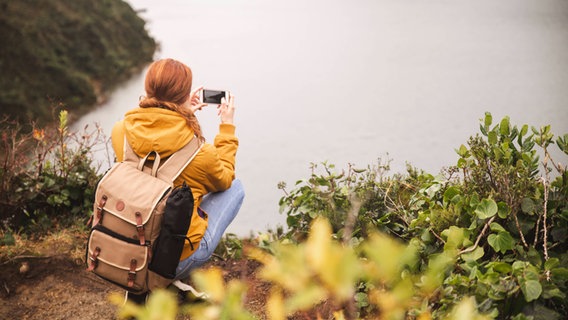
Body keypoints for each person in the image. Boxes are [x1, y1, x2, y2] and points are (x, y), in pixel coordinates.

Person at [110, 58, 244, 303]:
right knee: (235, 187)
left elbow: (153, 156)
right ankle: (161, 282)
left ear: (148, 89)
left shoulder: (121, 131)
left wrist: (181, 113)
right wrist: (227, 127)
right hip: (173, 258)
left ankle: (143, 285)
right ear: (183, 95)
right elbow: (223, 178)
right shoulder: (199, 153)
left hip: (127, 247)